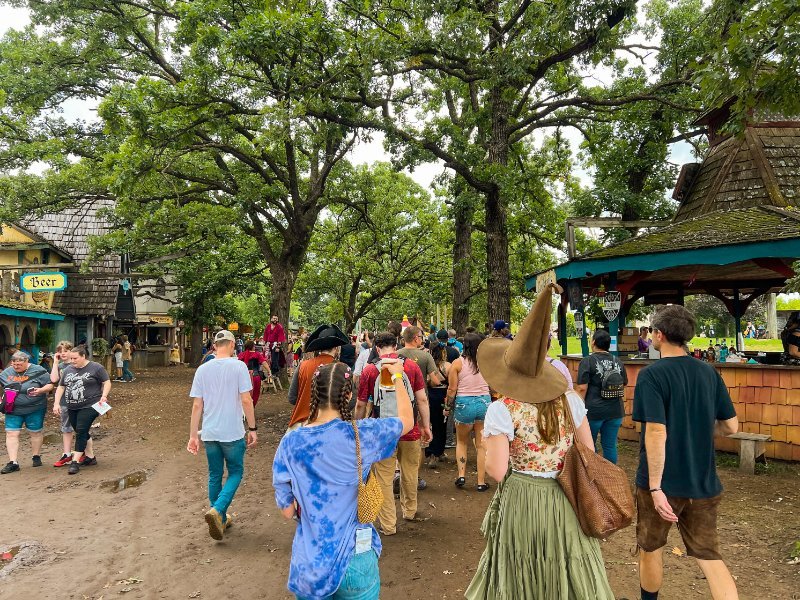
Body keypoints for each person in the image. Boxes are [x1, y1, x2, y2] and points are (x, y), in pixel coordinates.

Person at [466, 283, 614, 599]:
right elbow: (588, 450)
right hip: (566, 495)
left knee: (521, 568)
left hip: (521, 498)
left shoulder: (501, 409)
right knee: (566, 565)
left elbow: (496, 470)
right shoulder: (570, 400)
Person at [273, 361, 413, 599]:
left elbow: (288, 511)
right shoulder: (362, 435)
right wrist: (397, 375)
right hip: (355, 560)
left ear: (313, 392)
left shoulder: (291, 442)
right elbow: (406, 421)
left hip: (311, 564)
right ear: (348, 394)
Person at [634, 306, 739, 600]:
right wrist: (697, 428)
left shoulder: (651, 376)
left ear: (660, 334)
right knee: (709, 555)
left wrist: (655, 486)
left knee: (651, 548)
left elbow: (656, 432)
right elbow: (731, 426)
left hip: (661, 484)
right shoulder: (708, 372)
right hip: (703, 482)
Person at [356, 332, 432, 535]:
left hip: (382, 432)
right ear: (396, 345)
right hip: (410, 429)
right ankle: (410, 511)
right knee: (410, 472)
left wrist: (359, 426)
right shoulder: (411, 367)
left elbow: (361, 403)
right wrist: (426, 425)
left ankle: (388, 524)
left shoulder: (371, 370)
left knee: (384, 477)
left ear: (377, 348)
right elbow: (422, 399)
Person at [187, 330, 258, 540]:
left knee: (215, 474)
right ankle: (218, 510)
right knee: (236, 471)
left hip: (209, 431)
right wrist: (252, 428)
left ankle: (219, 518)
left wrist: (193, 435)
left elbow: (197, 405)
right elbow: (246, 400)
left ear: (215, 345)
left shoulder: (202, 370)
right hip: (232, 431)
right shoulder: (239, 366)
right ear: (233, 344)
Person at [53, 345, 111, 475]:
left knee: (80, 431)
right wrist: (56, 403)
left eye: (75, 358)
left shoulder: (96, 367)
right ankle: (90, 458)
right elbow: (61, 387)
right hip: (72, 406)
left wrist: (104, 396)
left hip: (91, 404)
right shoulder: (68, 369)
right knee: (81, 430)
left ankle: (75, 461)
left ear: (83, 356)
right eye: (71, 358)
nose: (72, 361)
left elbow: (106, 382)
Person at [445, 333, 491, 491]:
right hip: (484, 403)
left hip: (464, 403)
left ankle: (461, 475)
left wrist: (447, 407)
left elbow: (452, 389)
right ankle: (481, 482)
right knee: (481, 445)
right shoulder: (486, 363)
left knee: (462, 441)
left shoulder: (457, 364)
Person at [576, 329, 628, 465]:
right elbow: (624, 383)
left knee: (589, 446)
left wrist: (578, 408)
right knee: (610, 446)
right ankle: (610, 476)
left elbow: (582, 388)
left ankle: (591, 477)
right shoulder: (618, 361)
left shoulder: (588, 361)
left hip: (593, 411)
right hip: (615, 410)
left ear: (593, 342)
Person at [0, 351, 54, 474]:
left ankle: (36, 456)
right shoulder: (6, 372)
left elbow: (50, 385)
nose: (16, 367)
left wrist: (41, 390)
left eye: (19, 364)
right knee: (11, 433)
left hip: (35, 408)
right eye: (14, 364)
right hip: (13, 409)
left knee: (35, 432)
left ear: (27, 362)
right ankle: (13, 462)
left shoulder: (38, 370)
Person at [287, 324, 350, 429]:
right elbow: (349, 401)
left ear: (319, 348)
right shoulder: (342, 369)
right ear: (336, 348)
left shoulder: (303, 365)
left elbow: (292, 398)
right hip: (332, 425)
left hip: (302, 425)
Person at [398, 326, 442, 467]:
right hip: (420, 401)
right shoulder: (426, 356)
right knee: (419, 438)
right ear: (416, 338)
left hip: (399, 401)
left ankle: (398, 472)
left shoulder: (396, 355)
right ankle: (415, 476)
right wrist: (426, 382)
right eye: (421, 337)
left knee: (400, 436)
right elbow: (435, 381)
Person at [426, 332, 459, 466]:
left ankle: (430, 451)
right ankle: (438, 451)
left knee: (430, 423)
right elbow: (453, 384)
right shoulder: (448, 366)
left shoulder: (428, 365)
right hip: (442, 396)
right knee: (442, 425)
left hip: (429, 395)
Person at [49, 340, 77, 467]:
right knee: (66, 427)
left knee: (81, 428)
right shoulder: (60, 367)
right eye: (60, 351)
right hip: (64, 401)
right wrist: (55, 362)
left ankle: (85, 454)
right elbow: (54, 379)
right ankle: (67, 453)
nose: (63, 353)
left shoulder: (77, 364)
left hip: (78, 400)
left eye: (66, 351)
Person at [238, 340, 267, 407]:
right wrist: (269, 371)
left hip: (243, 377)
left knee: (244, 393)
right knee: (255, 394)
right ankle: (251, 407)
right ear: (253, 346)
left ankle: (245, 409)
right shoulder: (257, 354)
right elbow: (264, 363)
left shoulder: (241, 354)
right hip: (255, 377)